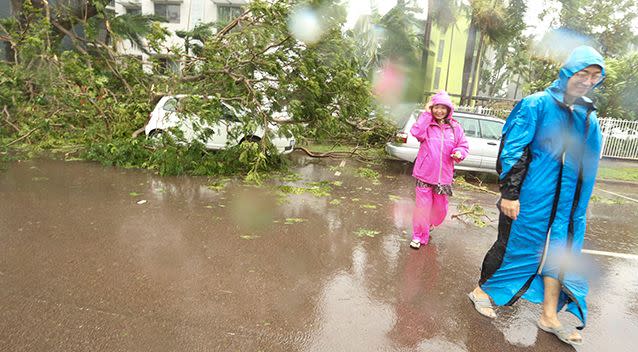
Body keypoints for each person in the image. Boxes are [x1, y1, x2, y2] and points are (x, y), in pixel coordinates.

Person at [467, 46, 606, 346]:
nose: (588, 80)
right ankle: (481, 291)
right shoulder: (537, 105)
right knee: (511, 249)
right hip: (528, 199)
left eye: (594, 76)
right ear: (568, 71)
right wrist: (510, 193)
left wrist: (578, 208)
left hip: (564, 208)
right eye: (583, 73)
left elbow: (586, 163)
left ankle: (549, 317)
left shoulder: (585, 117)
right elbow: (513, 150)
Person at [409, 91, 469, 249]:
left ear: (449, 109)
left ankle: (429, 223)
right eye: (436, 107)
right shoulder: (427, 125)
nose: (439, 111)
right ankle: (418, 236)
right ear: (432, 108)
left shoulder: (455, 127)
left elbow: (463, 145)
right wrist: (426, 113)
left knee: (440, 210)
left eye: (443, 108)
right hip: (424, 174)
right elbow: (416, 132)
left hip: (444, 177)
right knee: (422, 207)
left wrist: (459, 153)